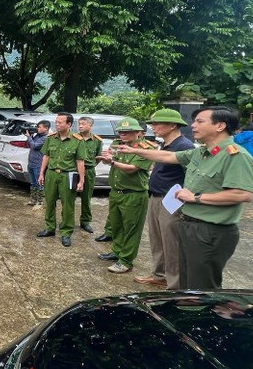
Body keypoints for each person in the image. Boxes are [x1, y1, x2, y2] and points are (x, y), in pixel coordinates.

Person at [117, 106, 253, 289]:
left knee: (202, 286)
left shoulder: (235, 155)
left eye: (199, 121)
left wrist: (195, 197)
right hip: (190, 224)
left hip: (211, 230)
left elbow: (243, 194)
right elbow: (168, 156)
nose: (192, 126)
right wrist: (135, 151)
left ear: (220, 126)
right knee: (187, 282)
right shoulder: (201, 152)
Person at [132, 109, 194, 287]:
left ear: (173, 125)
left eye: (158, 124)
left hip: (171, 202)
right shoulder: (165, 144)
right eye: (153, 124)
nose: (153, 127)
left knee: (171, 243)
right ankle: (159, 275)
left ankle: (175, 284)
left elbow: (190, 177)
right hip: (156, 197)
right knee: (157, 239)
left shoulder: (184, 146)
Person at [97, 117, 154, 273]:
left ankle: (126, 260)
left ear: (138, 133)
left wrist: (112, 162)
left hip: (133, 194)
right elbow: (110, 159)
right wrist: (106, 157)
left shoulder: (145, 148)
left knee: (131, 229)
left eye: (127, 132)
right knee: (116, 225)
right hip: (116, 192)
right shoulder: (117, 145)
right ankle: (116, 251)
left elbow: (132, 168)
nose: (123, 134)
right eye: (121, 132)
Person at [36, 113, 86, 247]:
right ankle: (50, 228)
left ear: (69, 124)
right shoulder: (51, 138)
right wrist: (41, 173)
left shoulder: (77, 140)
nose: (57, 124)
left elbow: (80, 161)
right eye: (56, 122)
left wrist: (81, 180)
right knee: (49, 202)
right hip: (52, 174)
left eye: (60, 122)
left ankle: (66, 232)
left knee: (68, 205)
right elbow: (46, 156)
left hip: (68, 175)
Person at [76, 116, 102, 233]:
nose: (80, 126)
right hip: (73, 170)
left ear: (90, 126)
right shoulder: (74, 138)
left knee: (86, 198)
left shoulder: (97, 141)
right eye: (79, 124)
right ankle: (66, 221)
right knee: (68, 197)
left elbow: (98, 157)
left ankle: (85, 221)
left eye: (83, 124)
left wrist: (89, 167)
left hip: (89, 170)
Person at [25, 120, 50, 206]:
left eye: (39, 127)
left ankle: (40, 202)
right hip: (31, 162)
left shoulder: (45, 138)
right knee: (32, 183)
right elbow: (28, 144)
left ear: (46, 128)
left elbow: (34, 146)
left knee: (39, 183)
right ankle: (33, 200)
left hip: (38, 164)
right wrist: (30, 135)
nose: (37, 129)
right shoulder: (37, 135)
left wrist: (29, 137)